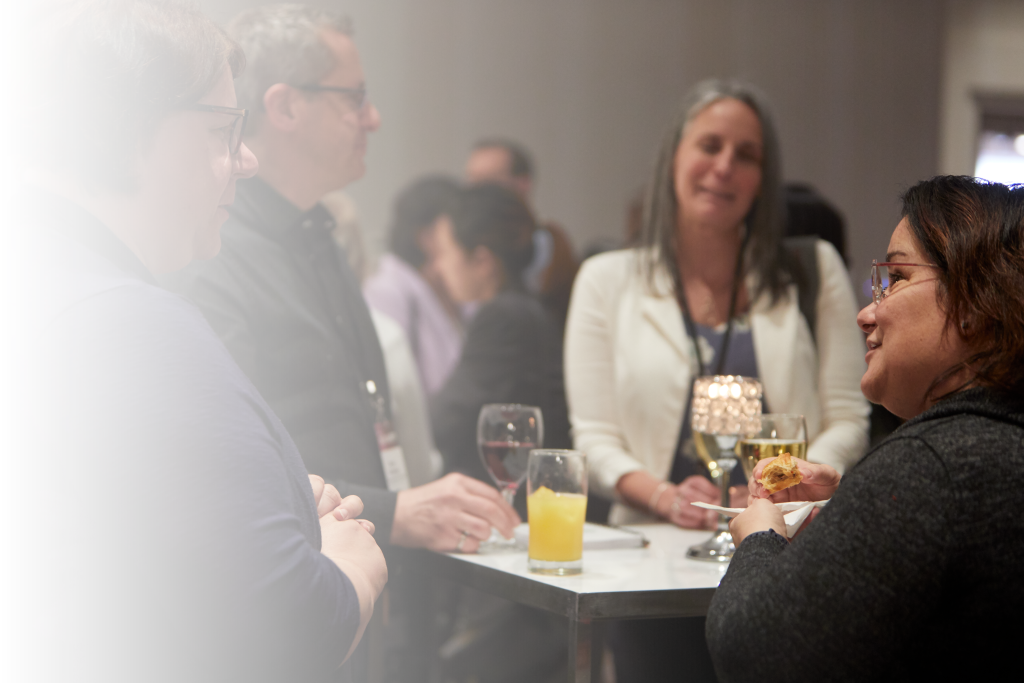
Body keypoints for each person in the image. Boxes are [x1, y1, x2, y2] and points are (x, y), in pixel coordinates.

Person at [4, 2, 386, 682]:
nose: (246, 158)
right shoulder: (130, 324)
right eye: (222, 129)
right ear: (131, 125)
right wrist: (347, 554)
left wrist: (273, 499)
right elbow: (295, 628)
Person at [166, 5, 518, 679]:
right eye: (354, 97)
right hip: (287, 604)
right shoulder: (215, 249)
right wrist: (399, 509)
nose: (373, 117)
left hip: (357, 576)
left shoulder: (316, 231)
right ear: (286, 107)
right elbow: (240, 457)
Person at [563, 79, 869, 682]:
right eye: (709, 145)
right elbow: (594, 437)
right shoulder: (605, 280)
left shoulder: (812, 270)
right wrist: (664, 496)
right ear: (673, 158)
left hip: (783, 557)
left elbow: (848, 417)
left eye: (746, 155)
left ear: (763, 178)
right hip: (652, 566)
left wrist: (787, 488)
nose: (724, 167)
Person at [707, 175, 1024, 682]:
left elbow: (753, 653)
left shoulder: (929, 467)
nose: (866, 313)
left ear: (974, 301)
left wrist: (759, 539)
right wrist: (854, 502)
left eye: (896, 277)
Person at [430, 183, 572, 498]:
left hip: (508, 501)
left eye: (444, 253)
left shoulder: (502, 316)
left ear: (482, 261)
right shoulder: (528, 307)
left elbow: (447, 420)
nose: (438, 267)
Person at [363, 175, 465, 397]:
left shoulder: (453, 284)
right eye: (457, 225)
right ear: (425, 236)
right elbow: (391, 376)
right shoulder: (388, 289)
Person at [465, 138, 579, 335]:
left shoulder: (556, 254)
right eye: (470, 180)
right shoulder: (459, 252)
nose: (474, 191)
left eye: (487, 180)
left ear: (523, 183)